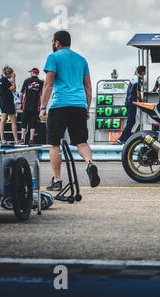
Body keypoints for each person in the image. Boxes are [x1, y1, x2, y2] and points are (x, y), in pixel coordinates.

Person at [40, 30, 100, 191]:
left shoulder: (53, 57)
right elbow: (88, 87)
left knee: (54, 144)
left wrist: (43, 107)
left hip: (60, 105)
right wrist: (86, 108)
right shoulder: (82, 60)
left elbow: (48, 84)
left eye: (53, 42)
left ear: (57, 43)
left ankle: (57, 180)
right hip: (79, 105)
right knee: (81, 142)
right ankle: (89, 164)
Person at [115, 65, 146, 145]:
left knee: (130, 121)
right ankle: (123, 139)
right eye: (145, 70)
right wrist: (142, 101)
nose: (145, 72)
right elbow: (138, 94)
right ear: (143, 72)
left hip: (127, 101)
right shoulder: (139, 80)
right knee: (131, 122)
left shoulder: (133, 78)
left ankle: (122, 138)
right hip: (132, 102)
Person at [18, 68, 44, 145]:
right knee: (33, 124)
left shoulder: (27, 81)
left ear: (33, 73)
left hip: (26, 106)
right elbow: (41, 95)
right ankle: (31, 140)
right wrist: (42, 106)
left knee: (24, 123)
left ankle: (22, 139)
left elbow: (21, 94)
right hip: (36, 107)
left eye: (30, 72)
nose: (30, 74)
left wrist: (21, 103)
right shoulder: (40, 82)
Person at [0, 66, 19, 144]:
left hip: (2, 102)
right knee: (13, 121)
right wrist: (13, 79)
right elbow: (14, 89)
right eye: (10, 75)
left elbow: (13, 90)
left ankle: (2, 139)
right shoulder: (5, 80)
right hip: (8, 102)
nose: (11, 76)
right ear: (8, 74)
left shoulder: (1, 80)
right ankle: (16, 140)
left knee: (3, 120)